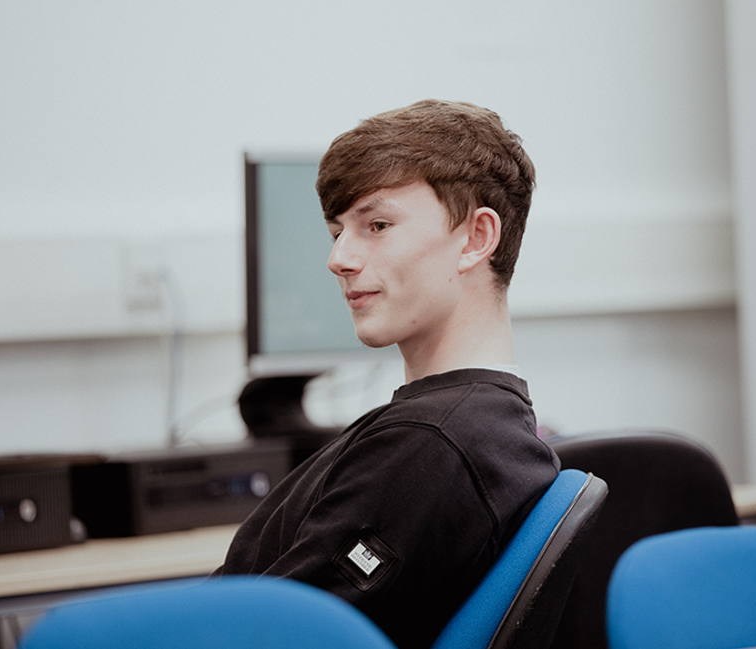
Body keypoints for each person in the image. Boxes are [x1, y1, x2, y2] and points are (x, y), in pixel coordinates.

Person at [213, 100, 560, 649]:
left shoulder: (431, 445)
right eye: (337, 231)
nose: (339, 258)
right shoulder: (487, 425)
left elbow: (264, 638)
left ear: (476, 238)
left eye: (377, 224)